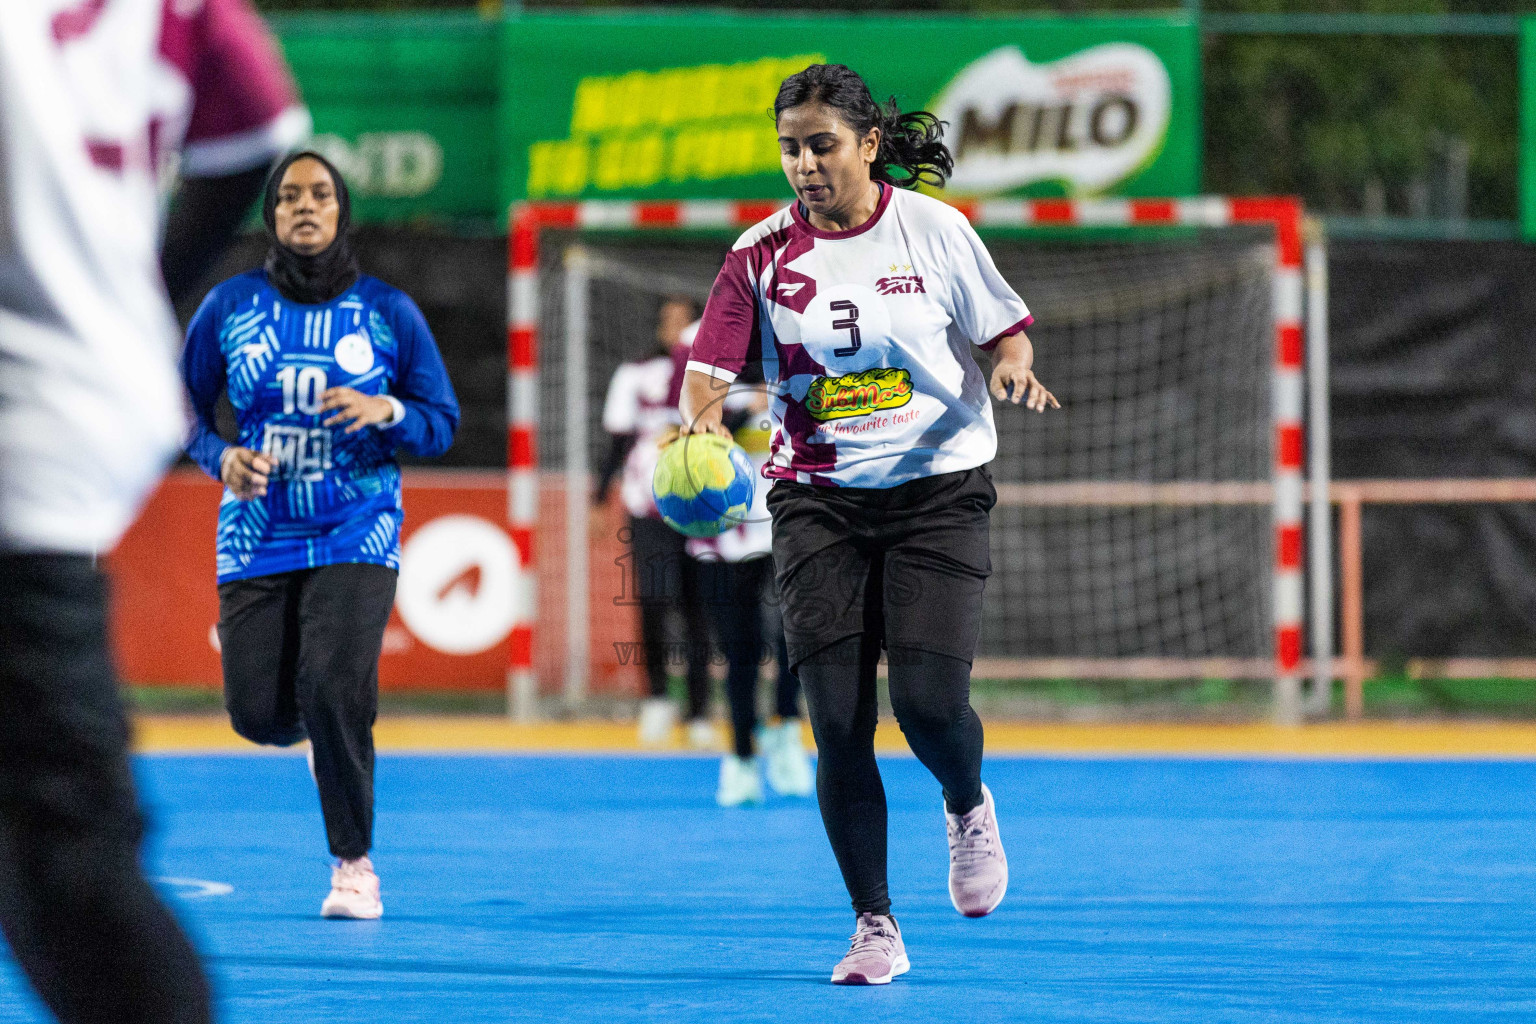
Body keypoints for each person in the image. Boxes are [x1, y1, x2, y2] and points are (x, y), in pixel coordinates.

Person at [677, 63, 1058, 985]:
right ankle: (874, 924)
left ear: (869, 144)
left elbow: (1007, 329)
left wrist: (1009, 363)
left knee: (926, 704)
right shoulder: (757, 255)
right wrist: (695, 421)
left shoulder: (933, 231)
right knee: (837, 723)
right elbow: (711, 365)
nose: (804, 164)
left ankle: (966, 801)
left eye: (822, 144)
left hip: (938, 491)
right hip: (817, 501)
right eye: (790, 148)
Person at [0, 1, 308, 1020]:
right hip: (61, 409)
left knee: (61, 852)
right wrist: (130, 296)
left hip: (32, 425)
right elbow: (265, 128)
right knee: (58, 847)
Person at [180, 151, 459, 920]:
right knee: (256, 715)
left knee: (335, 689)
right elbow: (181, 407)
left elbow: (443, 422)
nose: (306, 206)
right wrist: (220, 455)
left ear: (342, 211)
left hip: (357, 525)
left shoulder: (388, 311)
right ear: (271, 214)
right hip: (258, 530)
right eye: (290, 196)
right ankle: (311, 722)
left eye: (322, 194)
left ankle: (353, 867)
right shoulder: (230, 305)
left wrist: (389, 413)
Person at [684, 382, 814, 807]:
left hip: (787, 526)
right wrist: (739, 414)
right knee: (739, 648)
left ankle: (786, 727)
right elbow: (686, 448)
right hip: (722, 536)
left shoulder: (800, 370)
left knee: (795, 637)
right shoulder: (701, 379)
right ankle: (741, 754)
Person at [597, 298, 716, 749]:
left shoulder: (715, 376)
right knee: (651, 599)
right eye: (667, 320)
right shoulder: (635, 373)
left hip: (704, 503)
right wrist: (598, 496)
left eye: (683, 320)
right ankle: (657, 700)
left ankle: (701, 710)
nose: (676, 328)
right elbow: (617, 439)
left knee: (699, 607)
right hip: (646, 503)